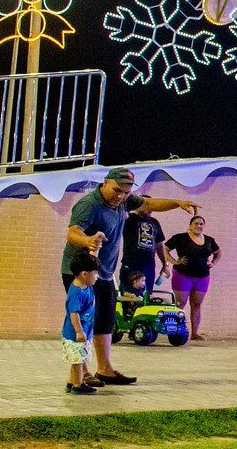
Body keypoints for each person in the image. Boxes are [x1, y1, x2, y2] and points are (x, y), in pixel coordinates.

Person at [61, 166, 199, 387]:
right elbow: (72, 232)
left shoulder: (124, 201)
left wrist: (177, 203)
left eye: (126, 192)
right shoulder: (89, 205)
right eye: (117, 190)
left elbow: (150, 204)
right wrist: (87, 241)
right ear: (106, 182)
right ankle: (82, 373)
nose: (121, 196)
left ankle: (105, 370)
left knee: (105, 319)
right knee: (84, 321)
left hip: (104, 273)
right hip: (81, 273)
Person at [164, 214, 222, 341]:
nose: (199, 226)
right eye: (196, 223)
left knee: (197, 304)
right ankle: (175, 331)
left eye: (201, 224)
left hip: (202, 277)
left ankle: (194, 333)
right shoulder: (180, 238)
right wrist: (174, 261)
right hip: (182, 275)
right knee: (180, 304)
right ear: (190, 225)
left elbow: (218, 252)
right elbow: (164, 248)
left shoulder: (209, 240)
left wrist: (213, 263)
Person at [61, 251, 100, 395]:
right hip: (75, 334)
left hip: (85, 331)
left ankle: (71, 382)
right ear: (84, 274)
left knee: (79, 358)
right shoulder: (76, 292)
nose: (97, 276)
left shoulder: (87, 286)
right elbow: (74, 313)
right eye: (95, 273)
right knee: (77, 360)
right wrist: (79, 331)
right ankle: (78, 384)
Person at [122, 207, 166, 302]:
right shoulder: (129, 219)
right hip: (131, 264)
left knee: (147, 294)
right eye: (146, 206)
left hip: (148, 265)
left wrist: (164, 264)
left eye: (151, 207)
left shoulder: (154, 222)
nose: (149, 210)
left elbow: (160, 245)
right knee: (129, 294)